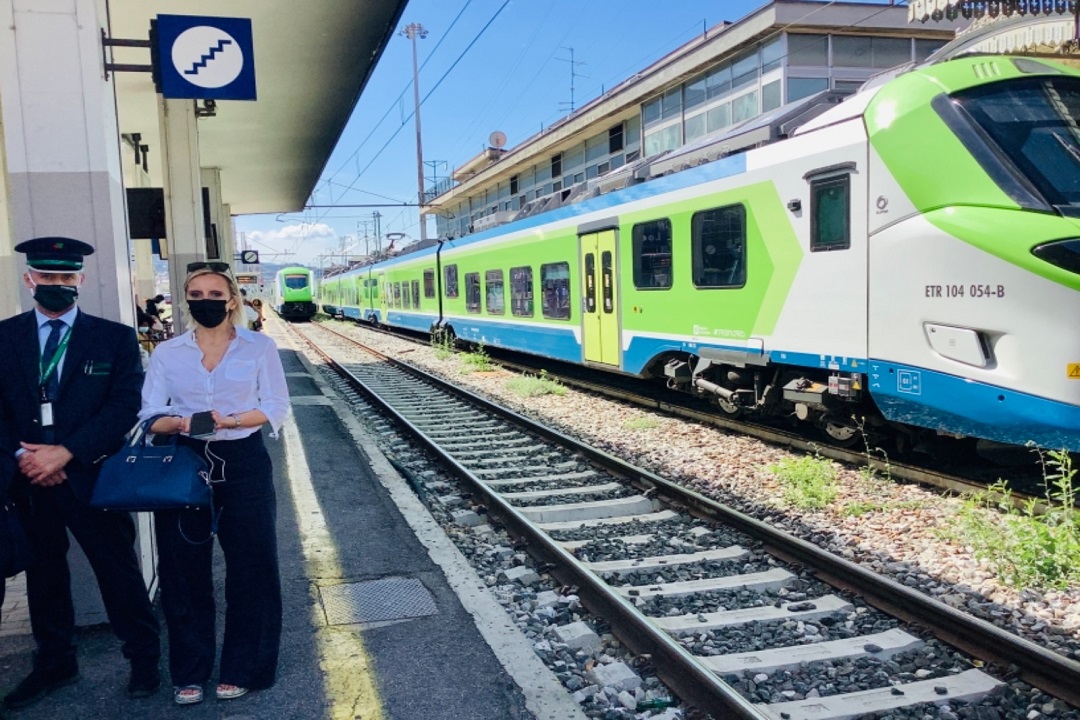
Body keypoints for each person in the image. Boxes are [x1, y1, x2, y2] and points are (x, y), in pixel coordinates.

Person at [0, 237, 161, 709]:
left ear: (81, 281)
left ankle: (145, 659)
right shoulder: (5, 338)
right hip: (27, 480)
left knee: (117, 570)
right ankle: (55, 663)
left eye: (66, 278)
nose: (57, 285)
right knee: (43, 575)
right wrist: (22, 457)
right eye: (47, 277)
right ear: (29, 279)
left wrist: (66, 452)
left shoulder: (113, 337)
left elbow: (124, 405)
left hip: (91, 476)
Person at [140, 261, 288, 706]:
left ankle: (246, 666)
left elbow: (276, 405)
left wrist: (233, 419)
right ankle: (189, 671)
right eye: (197, 295)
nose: (206, 302)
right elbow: (148, 414)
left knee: (252, 566)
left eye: (215, 295)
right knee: (183, 570)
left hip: (242, 460)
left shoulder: (259, 347)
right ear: (186, 302)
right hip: (185, 461)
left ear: (232, 300)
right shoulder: (167, 353)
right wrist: (178, 422)